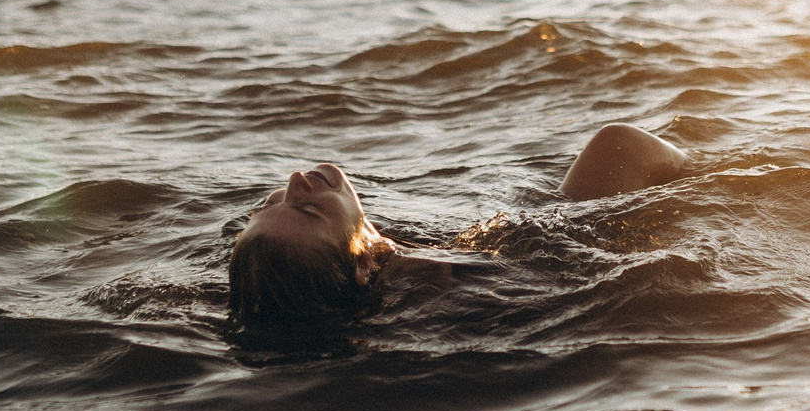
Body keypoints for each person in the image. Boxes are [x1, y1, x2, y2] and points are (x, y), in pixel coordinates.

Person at [227, 124, 691, 325]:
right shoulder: (434, 281)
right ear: (364, 264)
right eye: (307, 210)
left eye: (268, 207)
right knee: (619, 146)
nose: (294, 184)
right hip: (580, 260)